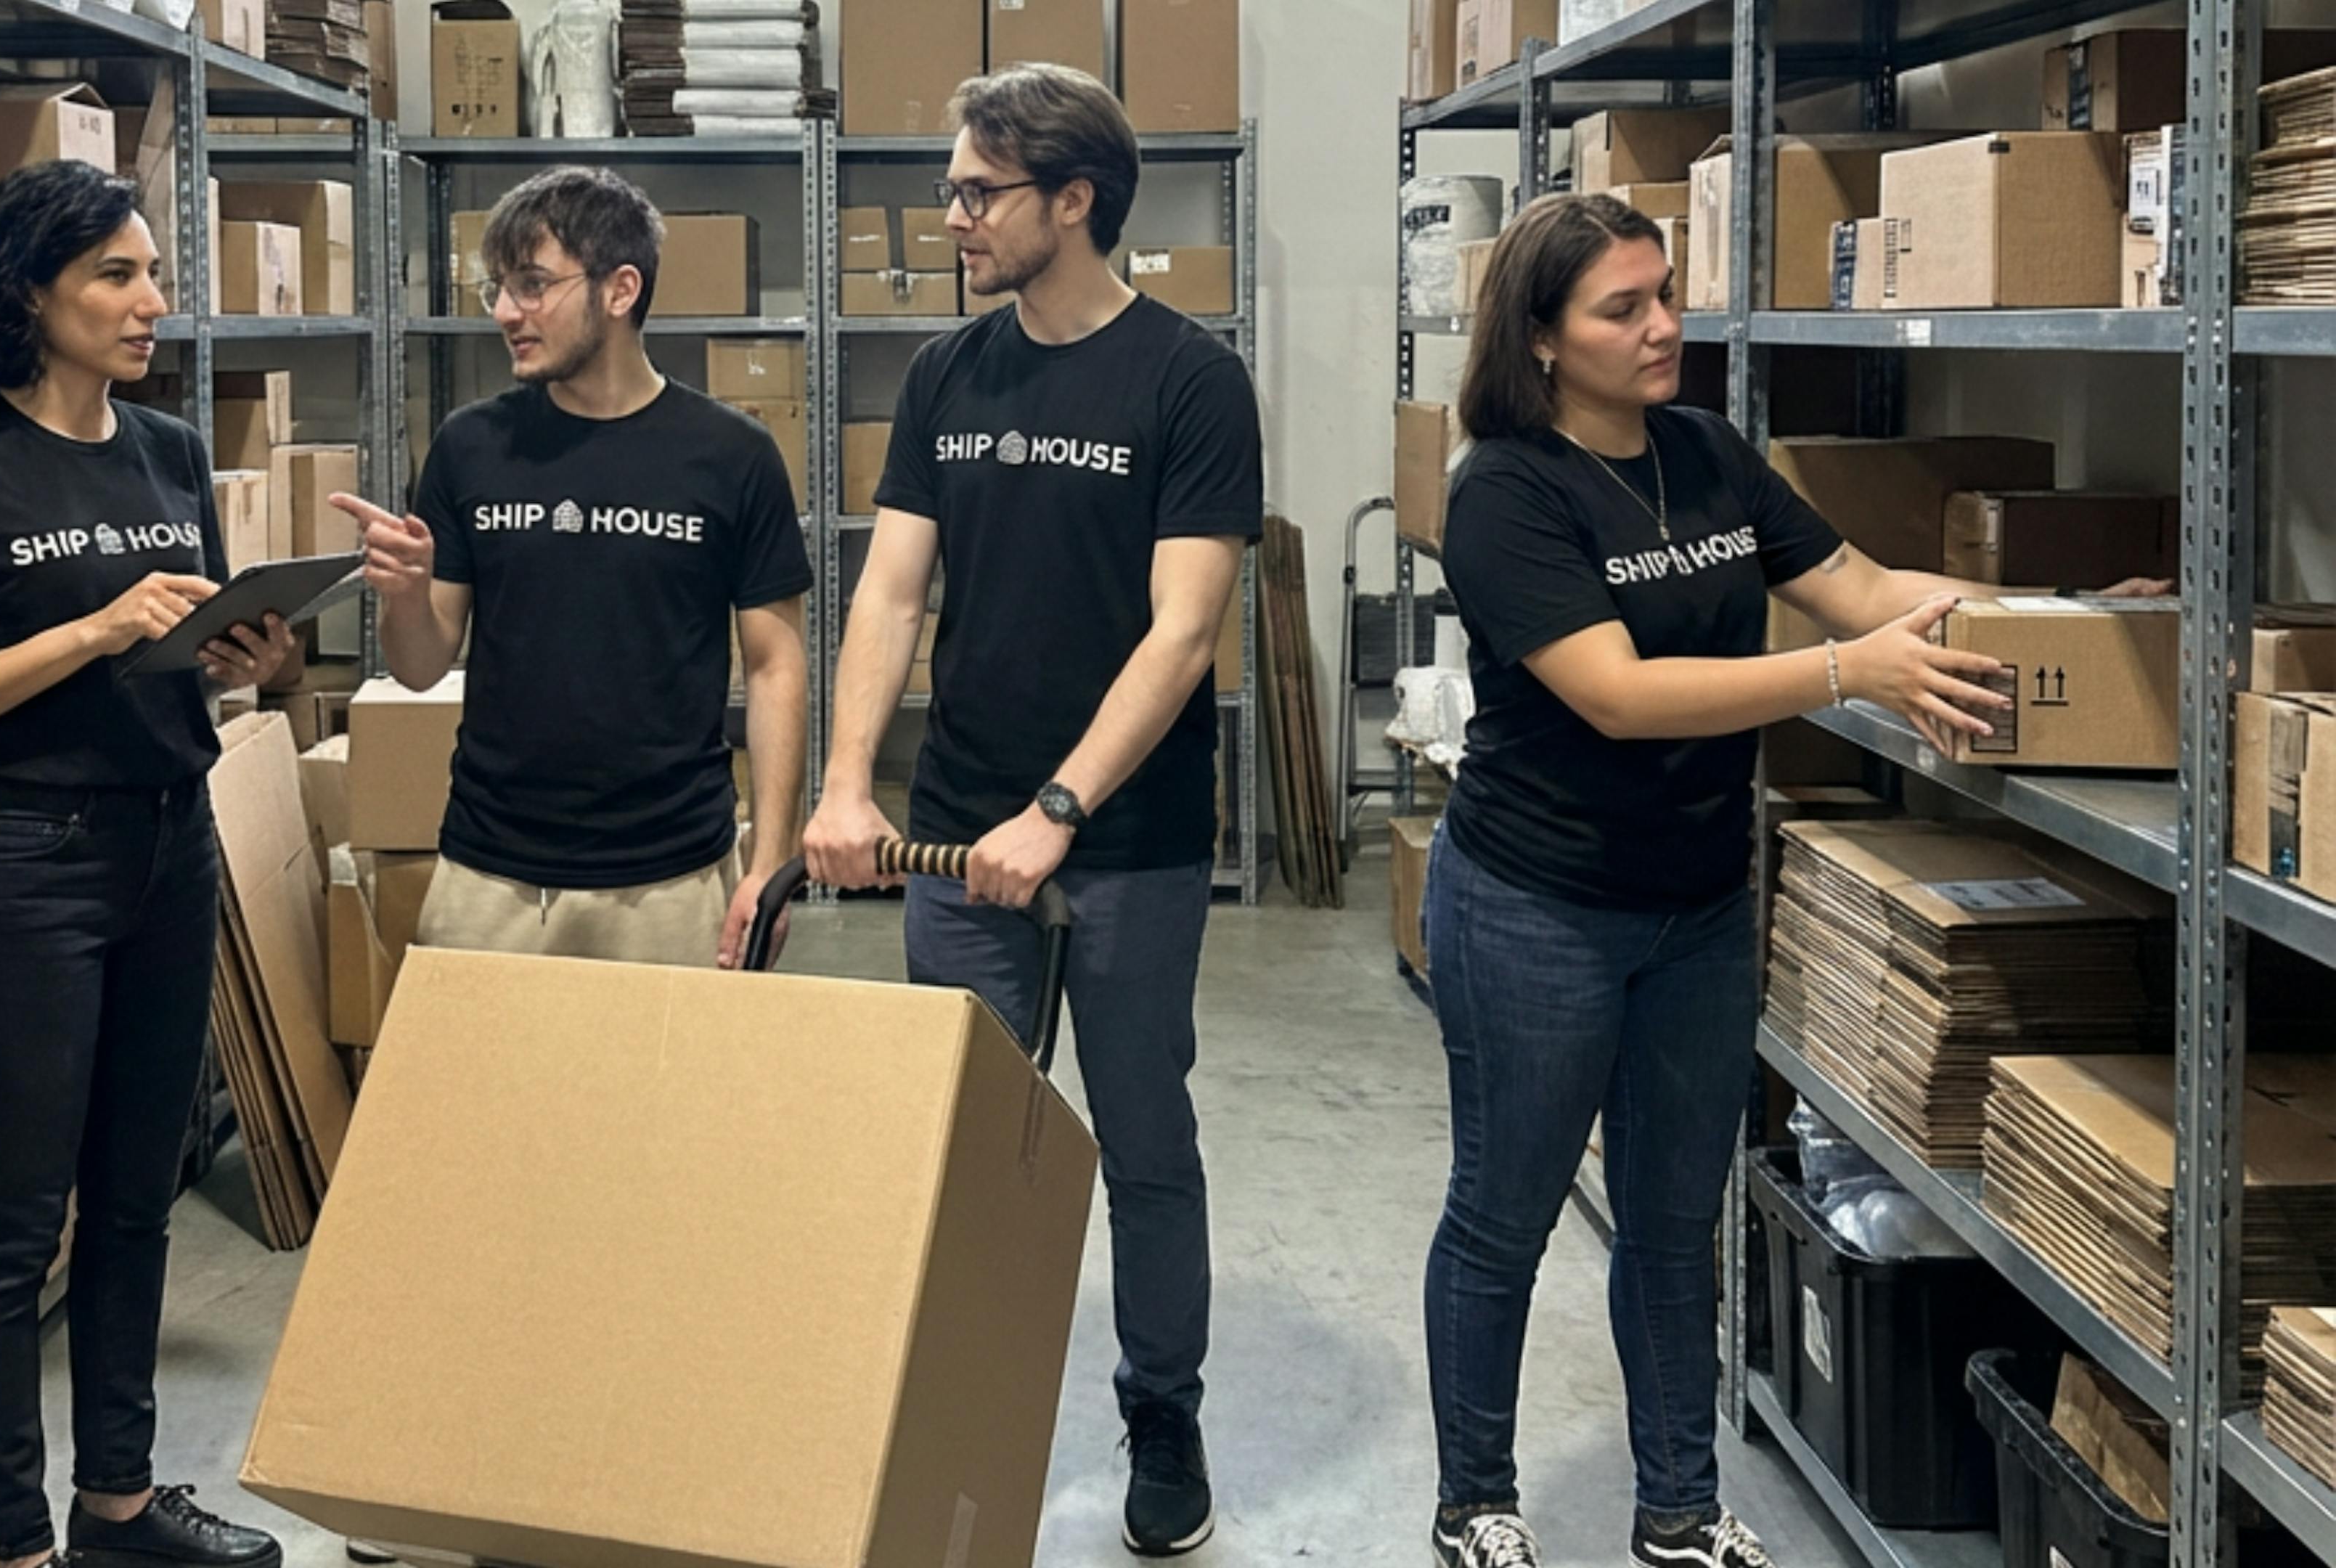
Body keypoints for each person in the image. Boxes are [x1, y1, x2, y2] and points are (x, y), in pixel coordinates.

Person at [1418, 192, 2170, 1568]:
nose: (1665, 329)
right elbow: (1620, 695)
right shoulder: (1504, 495)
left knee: (1671, 1217)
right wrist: (1838, 679)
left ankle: (1680, 1513)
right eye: (1623, 310)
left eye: (1666, 295)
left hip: (1700, 903)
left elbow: (1863, 587)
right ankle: (1477, 1503)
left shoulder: (1707, 453)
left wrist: (2060, 621)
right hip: (1536, 907)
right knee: (1504, 1211)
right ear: (1538, 340)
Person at [802, 64, 1262, 1560]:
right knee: (972, 1156)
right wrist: (847, 781)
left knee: (1142, 1142)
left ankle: (1161, 1414)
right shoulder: (948, 375)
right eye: (954, 190)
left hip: (1125, 842)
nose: (951, 218)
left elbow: (1182, 630)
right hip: (955, 831)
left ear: (1074, 201)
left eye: (975, 192)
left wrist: (1060, 806)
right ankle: (963, 1428)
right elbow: (890, 586)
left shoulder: (1191, 381)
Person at [326, 168, 811, 1564]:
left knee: (656, 1198)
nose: (503, 311)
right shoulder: (476, 448)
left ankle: (633, 1471)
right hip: (494, 873)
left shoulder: (727, 458)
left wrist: (766, 861)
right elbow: (428, 664)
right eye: (497, 285)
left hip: (666, 878)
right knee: (469, 1188)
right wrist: (410, 599)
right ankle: (449, 1471)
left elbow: (775, 662)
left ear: (621, 290)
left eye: (530, 283)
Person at [0, 160, 298, 1568]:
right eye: (115, 275)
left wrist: (259, 662)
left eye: (153, 273)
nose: (150, 301)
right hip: (21, 864)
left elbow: (200, 664)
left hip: (171, 844)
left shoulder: (169, 454)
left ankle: (117, 1505)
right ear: (29, 292)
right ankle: (11, 1546)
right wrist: (92, 633)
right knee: (15, 1221)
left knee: (133, 1198)